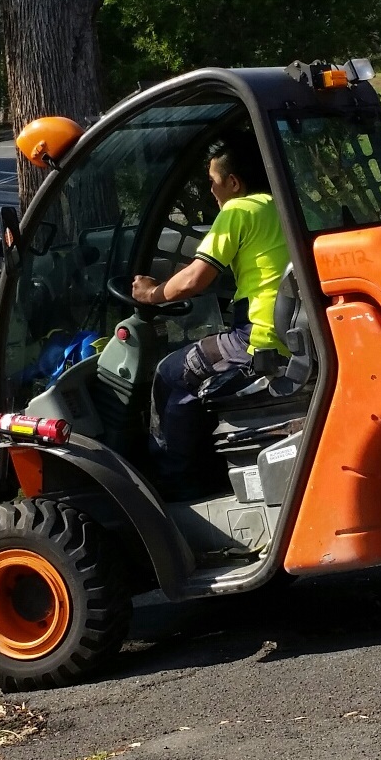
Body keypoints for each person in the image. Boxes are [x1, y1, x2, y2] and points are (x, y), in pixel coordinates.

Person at [132, 136, 288, 494]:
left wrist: (151, 294)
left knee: (171, 372)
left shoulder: (238, 210)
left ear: (233, 182)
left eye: (214, 183)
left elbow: (193, 280)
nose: (212, 193)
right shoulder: (280, 205)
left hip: (255, 340)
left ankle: (176, 484)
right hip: (287, 334)